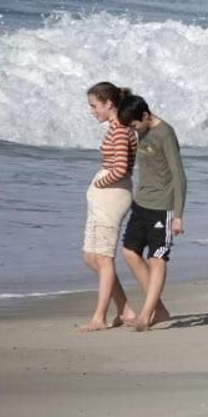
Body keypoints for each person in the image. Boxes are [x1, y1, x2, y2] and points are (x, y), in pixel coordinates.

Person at [116, 95, 186, 332]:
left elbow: (179, 176)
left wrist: (178, 214)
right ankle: (160, 309)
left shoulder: (165, 133)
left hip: (162, 207)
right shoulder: (138, 124)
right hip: (141, 203)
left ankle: (146, 315)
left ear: (145, 116)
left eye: (134, 126)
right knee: (129, 252)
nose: (133, 131)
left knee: (157, 258)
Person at [79, 81, 137, 332]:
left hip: (112, 195)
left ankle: (99, 317)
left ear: (109, 104)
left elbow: (121, 168)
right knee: (90, 256)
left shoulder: (121, 130)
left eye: (94, 106)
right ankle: (125, 309)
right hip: (105, 195)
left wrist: (101, 181)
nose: (92, 111)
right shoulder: (115, 129)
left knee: (103, 257)